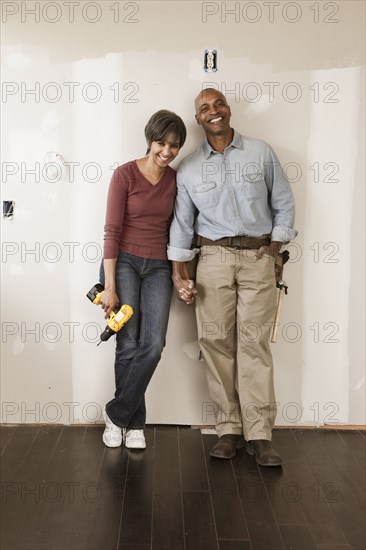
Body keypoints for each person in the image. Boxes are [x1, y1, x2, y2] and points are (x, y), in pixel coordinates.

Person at [168, 88, 297, 466]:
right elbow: (181, 225)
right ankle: (228, 429)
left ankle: (260, 434)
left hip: (259, 256)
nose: (213, 112)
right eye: (204, 108)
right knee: (215, 343)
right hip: (212, 259)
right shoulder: (189, 168)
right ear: (198, 119)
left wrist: (274, 249)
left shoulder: (260, 152)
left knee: (254, 344)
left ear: (228, 108)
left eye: (218, 104)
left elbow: (284, 203)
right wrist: (179, 273)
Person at [99, 110, 186, 449]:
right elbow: (111, 231)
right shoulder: (125, 175)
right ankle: (134, 425)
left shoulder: (176, 180)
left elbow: (181, 229)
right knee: (127, 344)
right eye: (161, 143)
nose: (167, 152)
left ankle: (117, 413)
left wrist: (181, 274)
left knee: (154, 345)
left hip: (159, 266)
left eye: (175, 146)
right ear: (150, 140)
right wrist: (109, 286)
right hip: (124, 264)